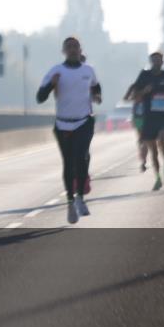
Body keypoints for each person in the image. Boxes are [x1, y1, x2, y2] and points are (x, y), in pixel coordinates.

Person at [37, 37, 102, 224]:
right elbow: (40, 97)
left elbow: (96, 87)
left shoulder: (88, 70)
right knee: (68, 163)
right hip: (63, 124)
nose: (73, 50)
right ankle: (70, 202)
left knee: (81, 157)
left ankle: (80, 197)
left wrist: (97, 96)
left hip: (84, 121)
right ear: (64, 51)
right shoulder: (56, 71)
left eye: (75, 46)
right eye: (69, 47)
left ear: (80, 50)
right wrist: (52, 84)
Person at [129, 51, 164, 190]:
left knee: (163, 144)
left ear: (162, 61)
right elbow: (135, 94)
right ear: (151, 61)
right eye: (154, 60)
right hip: (149, 117)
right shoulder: (144, 75)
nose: (156, 62)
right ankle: (157, 177)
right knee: (153, 151)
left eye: (159, 60)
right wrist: (144, 91)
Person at [124, 83, 148, 171]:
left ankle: (143, 160)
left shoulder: (148, 86)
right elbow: (125, 98)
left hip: (147, 117)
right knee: (142, 140)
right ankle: (143, 159)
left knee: (144, 140)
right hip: (138, 118)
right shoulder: (135, 86)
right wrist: (134, 97)